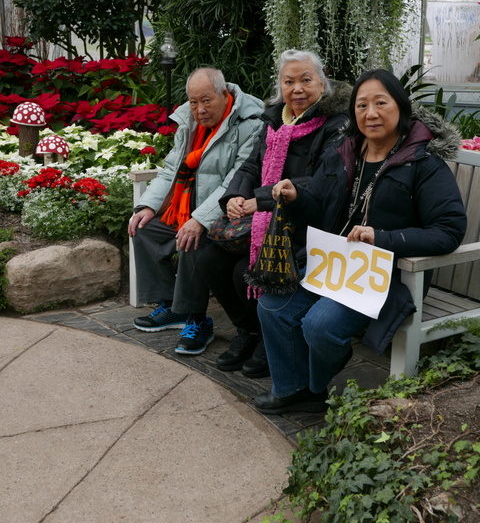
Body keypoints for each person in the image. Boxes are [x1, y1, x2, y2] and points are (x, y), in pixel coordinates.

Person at [254, 68, 467, 415]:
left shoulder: (422, 162)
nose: (371, 113)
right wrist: (297, 197)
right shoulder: (344, 151)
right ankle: (294, 390)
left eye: (381, 103)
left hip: (386, 275)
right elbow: (319, 206)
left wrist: (381, 238)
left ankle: (316, 384)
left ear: (400, 107)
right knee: (272, 306)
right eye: (362, 105)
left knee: (320, 326)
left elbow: (449, 229)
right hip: (333, 265)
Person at [197, 49, 351, 377]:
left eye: (305, 80)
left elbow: (324, 180)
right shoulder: (274, 118)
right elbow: (252, 164)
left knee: (244, 271)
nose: (297, 89)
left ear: (322, 84)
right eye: (289, 81)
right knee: (209, 261)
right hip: (265, 216)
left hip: (304, 219)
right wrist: (236, 197)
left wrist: (261, 199)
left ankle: (271, 340)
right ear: (280, 86)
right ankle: (248, 332)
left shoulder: (337, 124)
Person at [129, 67, 264, 355]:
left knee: (192, 239)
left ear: (223, 94)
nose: (199, 110)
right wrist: (148, 206)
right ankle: (171, 305)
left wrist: (199, 220)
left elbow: (235, 180)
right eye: (193, 102)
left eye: (206, 100)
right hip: (184, 206)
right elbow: (170, 170)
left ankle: (197, 319)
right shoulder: (188, 123)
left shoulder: (249, 124)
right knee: (143, 227)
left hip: (225, 210)